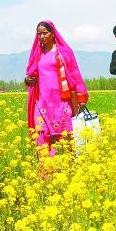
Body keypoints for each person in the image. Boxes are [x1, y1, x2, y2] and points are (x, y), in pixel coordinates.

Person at [24, 20, 88, 154]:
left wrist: (81, 97)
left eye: (44, 33)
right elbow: (30, 73)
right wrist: (28, 79)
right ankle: (47, 171)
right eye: (39, 34)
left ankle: (68, 168)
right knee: (42, 135)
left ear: (53, 34)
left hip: (61, 102)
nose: (41, 37)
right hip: (41, 102)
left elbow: (75, 74)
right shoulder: (37, 53)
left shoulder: (64, 53)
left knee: (66, 136)